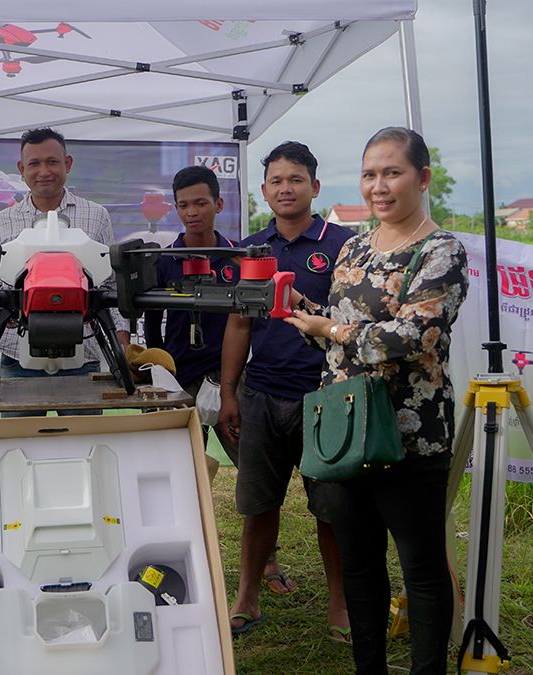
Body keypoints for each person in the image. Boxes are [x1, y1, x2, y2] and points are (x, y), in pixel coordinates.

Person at [284, 126, 468, 674]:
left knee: (422, 566)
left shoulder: (441, 251)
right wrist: (303, 311)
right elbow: (340, 326)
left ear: (423, 178)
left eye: (392, 173)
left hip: (410, 433)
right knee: (360, 564)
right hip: (346, 426)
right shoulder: (355, 245)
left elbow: (415, 336)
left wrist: (333, 330)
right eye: (369, 174)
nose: (379, 186)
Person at [217, 142, 353, 640]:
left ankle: (341, 607)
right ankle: (246, 599)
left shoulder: (344, 246)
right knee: (257, 505)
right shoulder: (252, 249)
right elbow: (238, 324)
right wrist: (229, 392)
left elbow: (353, 321)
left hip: (325, 398)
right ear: (264, 190)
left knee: (332, 511)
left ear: (314, 187)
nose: (285, 188)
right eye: (276, 180)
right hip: (261, 394)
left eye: (295, 179)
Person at [0, 127, 130, 415]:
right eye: (34, 164)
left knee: (83, 443)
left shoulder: (96, 216)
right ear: (21, 169)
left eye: (52, 162)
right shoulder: (2, 221)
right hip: (17, 357)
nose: (43, 171)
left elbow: (110, 282)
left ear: (68, 164)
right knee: (18, 444)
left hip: (84, 354)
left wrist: (121, 336)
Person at [143, 165, 240, 481]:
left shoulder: (238, 258)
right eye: (184, 205)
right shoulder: (165, 260)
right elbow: (152, 322)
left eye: (201, 203)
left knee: (252, 465)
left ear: (219, 204)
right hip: (180, 377)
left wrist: (232, 382)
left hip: (231, 379)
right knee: (178, 468)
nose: (192, 212)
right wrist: (161, 371)